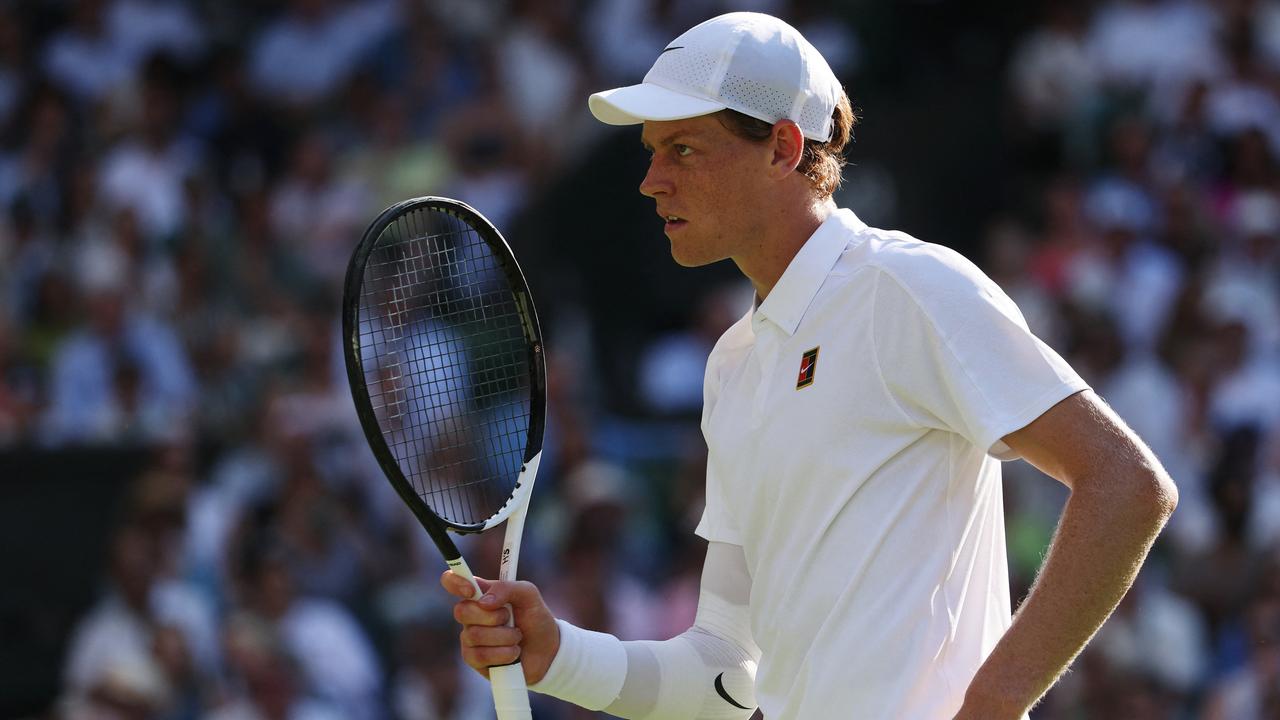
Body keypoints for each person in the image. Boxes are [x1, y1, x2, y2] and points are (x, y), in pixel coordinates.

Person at [442, 12, 1178, 719]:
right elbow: (727, 671)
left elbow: (1126, 484)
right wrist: (559, 656)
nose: (652, 180)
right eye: (653, 151)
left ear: (784, 149)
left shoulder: (909, 287)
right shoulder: (732, 365)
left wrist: (996, 701)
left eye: (684, 150)